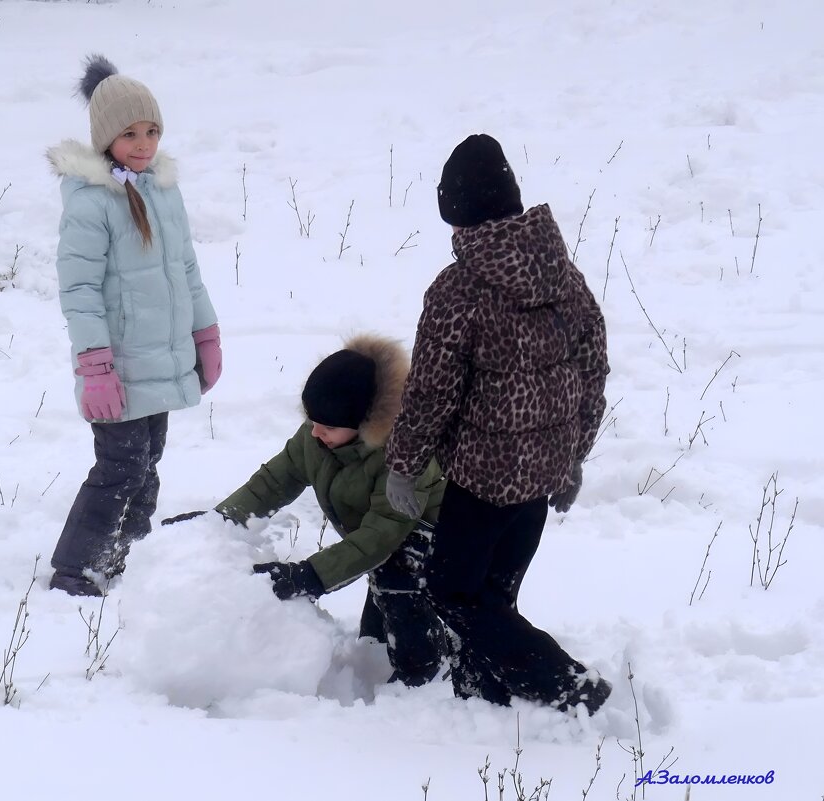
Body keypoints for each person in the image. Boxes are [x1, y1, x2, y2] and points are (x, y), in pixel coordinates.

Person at [384, 134, 611, 714]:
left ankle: (567, 686)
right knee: (495, 593)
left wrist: (405, 467)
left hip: (484, 481)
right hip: (543, 473)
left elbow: (430, 391)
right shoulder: (564, 274)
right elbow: (593, 369)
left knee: (452, 592)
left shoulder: (458, 290)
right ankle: (480, 690)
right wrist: (573, 456)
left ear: (454, 208)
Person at [163, 335, 447, 687]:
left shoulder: (403, 454)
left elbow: (381, 535)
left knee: (397, 580)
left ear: (363, 424)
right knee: (376, 634)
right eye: (312, 421)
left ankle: (425, 672)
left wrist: (310, 575)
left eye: (327, 427)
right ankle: (380, 653)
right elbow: (272, 482)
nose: (315, 433)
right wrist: (219, 522)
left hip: (430, 534)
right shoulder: (317, 436)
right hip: (378, 535)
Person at [45, 54, 221, 597]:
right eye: (130, 134)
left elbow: (186, 271)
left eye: (152, 131)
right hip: (119, 367)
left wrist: (204, 334)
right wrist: (95, 366)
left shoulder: (163, 191)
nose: (144, 143)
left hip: (161, 358)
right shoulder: (92, 203)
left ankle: (127, 553)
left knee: (147, 464)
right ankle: (77, 568)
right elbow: (78, 290)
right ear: (105, 138)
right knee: (120, 467)